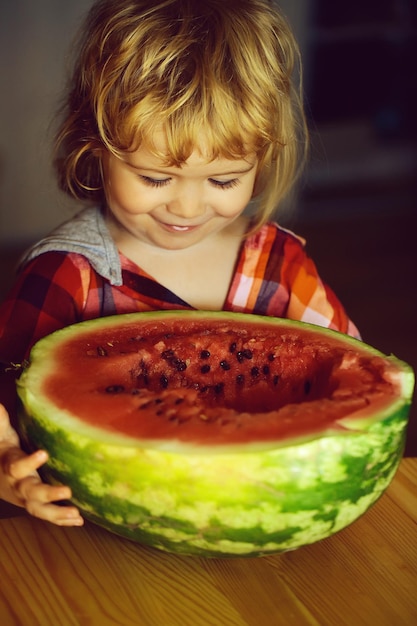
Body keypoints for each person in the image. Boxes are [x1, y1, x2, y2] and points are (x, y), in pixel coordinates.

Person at [0, 0, 359, 526]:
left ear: (262, 160)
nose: (187, 208)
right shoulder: (67, 276)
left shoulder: (281, 264)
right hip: (94, 538)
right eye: (154, 178)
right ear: (94, 145)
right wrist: (9, 471)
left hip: (254, 520)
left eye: (223, 180)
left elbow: (351, 381)